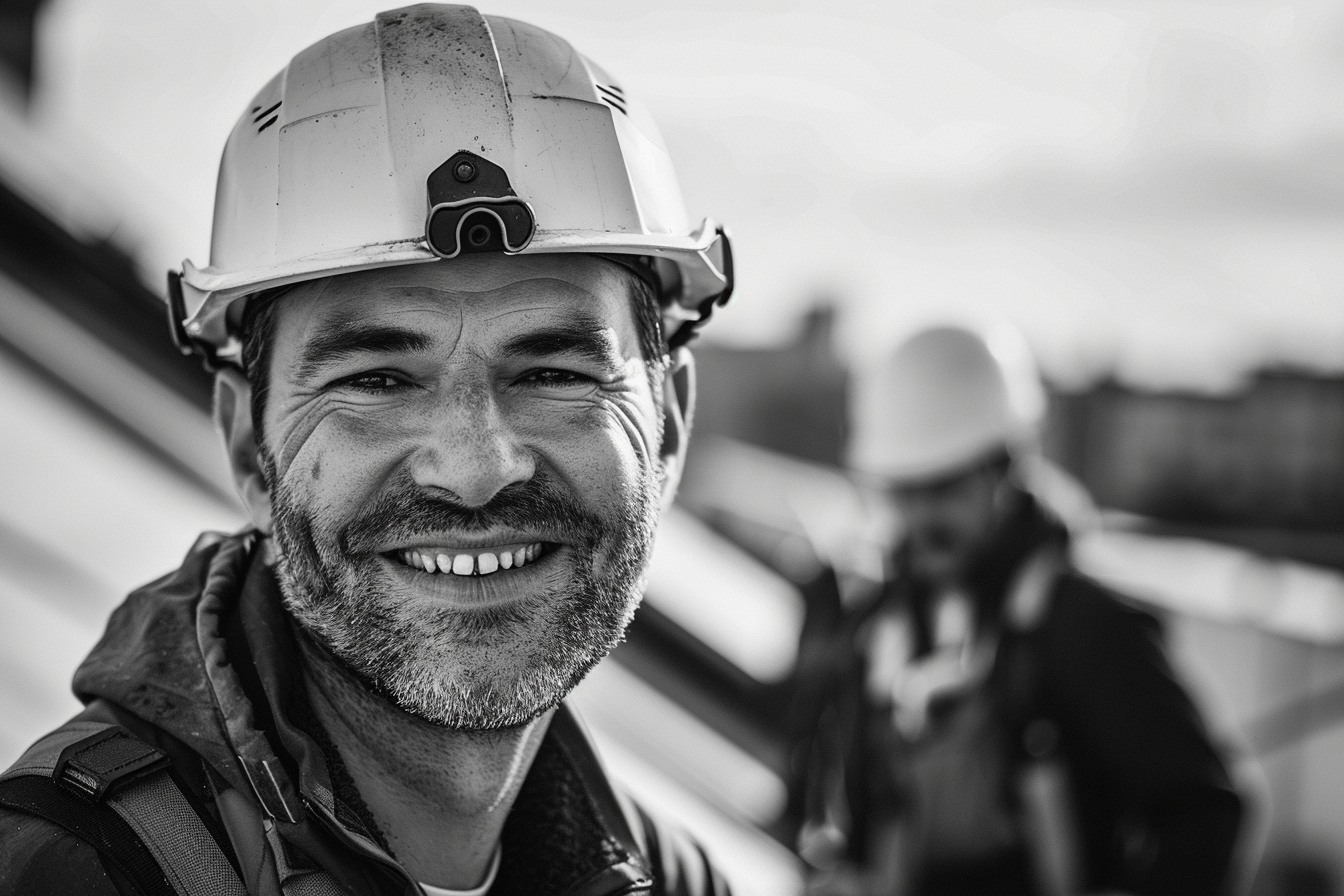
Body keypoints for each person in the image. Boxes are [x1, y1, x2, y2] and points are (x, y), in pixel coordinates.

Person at [0, 6, 736, 894]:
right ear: (246, 445)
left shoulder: (676, 880)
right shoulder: (71, 874)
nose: (474, 471)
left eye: (553, 373)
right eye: (377, 381)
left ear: (667, 424)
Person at [800, 323, 1243, 896]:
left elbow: (1205, 813)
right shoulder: (876, 628)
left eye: (943, 489)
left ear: (1005, 467)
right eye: (903, 491)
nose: (920, 518)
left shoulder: (1082, 627)